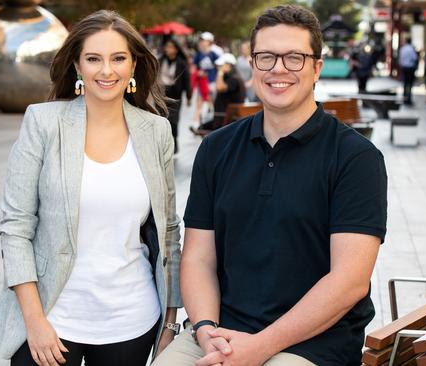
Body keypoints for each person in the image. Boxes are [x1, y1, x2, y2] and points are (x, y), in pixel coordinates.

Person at [154, 5, 387, 366]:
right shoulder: (217, 148)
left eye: (294, 57)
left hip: (311, 344)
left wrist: (259, 347)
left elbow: (349, 281)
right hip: (219, 332)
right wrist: (204, 329)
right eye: (266, 57)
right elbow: (199, 257)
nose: (278, 69)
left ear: (316, 69)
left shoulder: (355, 158)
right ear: (252, 66)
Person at [0, 9, 182, 366]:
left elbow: (169, 231)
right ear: (77, 66)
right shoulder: (43, 123)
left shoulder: (156, 131)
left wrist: (170, 323)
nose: (106, 71)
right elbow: (15, 228)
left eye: (118, 58)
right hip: (51, 317)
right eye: (94, 59)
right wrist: (34, 321)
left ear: (134, 65)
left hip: (132, 320)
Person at [190, 53, 245, 133]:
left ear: (228, 65)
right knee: (201, 128)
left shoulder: (234, 78)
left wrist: (220, 73)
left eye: (221, 66)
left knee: (202, 129)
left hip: (226, 120)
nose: (219, 68)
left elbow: (219, 87)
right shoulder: (230, 76)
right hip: (222, 117)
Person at [159, 38, 192, 153]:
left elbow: (187, 81)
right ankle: (162, 144)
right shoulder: (160, 60)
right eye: (167, 47)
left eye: (171, 47)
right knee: (161, 119)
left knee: (173, 120)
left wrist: (189, 96)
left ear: (177, 50)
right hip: (161, 95)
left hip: (175, 96)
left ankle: (175, 142)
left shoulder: (181, 63)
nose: (168, 49)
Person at [192, 33, 219, 123]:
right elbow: (193, 68)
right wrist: (198, 73)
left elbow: (220, 66)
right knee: (199, 101)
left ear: (210, 42)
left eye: (205, 41)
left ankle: (212, 120)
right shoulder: (198, 54)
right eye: (202, 40)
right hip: (202, 82)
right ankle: (196, 121)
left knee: (211, 101)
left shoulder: (214, 54)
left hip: (212, 82)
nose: (203, 42)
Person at [399, 38, 418, 105]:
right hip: (410, 68)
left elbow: (400, 59)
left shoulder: (403, 48)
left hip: (404, 68)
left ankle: (404, 97)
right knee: (409, 84)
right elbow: (415, 58)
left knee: (405, 83)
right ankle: (408, 98)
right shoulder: (411, 49)